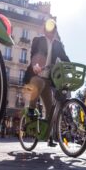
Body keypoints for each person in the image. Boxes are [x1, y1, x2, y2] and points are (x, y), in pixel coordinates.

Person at [23, 18, 70, 147]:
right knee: (38, 82)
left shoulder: (58, 45)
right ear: (44, 30)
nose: (51, 32)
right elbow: (34, 54)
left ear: (55, 31)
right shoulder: (38, 40)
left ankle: (49, 137)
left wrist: (71, 68)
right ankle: (31, 108)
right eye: (49, 29)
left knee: (50, 110)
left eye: (54, 29)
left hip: (48, 80)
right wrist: (35, 65)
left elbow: (65, 59)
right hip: (36, 75)